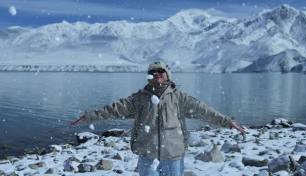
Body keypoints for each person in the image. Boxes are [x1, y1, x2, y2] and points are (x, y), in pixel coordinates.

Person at [71, 61, 246, 176]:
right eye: (153, 71)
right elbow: (114, 109)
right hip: (148, 153)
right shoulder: (140, 98)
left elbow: (205, 111)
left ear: (167, 74)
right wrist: (89, 117)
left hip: (173, 153)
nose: (157, 74)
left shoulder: (179, 97)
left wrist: (227, 122)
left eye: (161, 71)